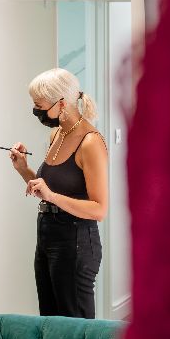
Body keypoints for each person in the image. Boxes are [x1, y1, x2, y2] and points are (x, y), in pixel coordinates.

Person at [8, 68, 107, 318]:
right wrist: (23, 169)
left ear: (61, 103)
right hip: (47, 235)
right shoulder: (57, 134)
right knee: (50, 321)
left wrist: (52, 197)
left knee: (75, 325)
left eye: (39, 106)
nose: (36, 111)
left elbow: (99, 209)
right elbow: (48, 191)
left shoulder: (90, 142)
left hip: (76, 240)